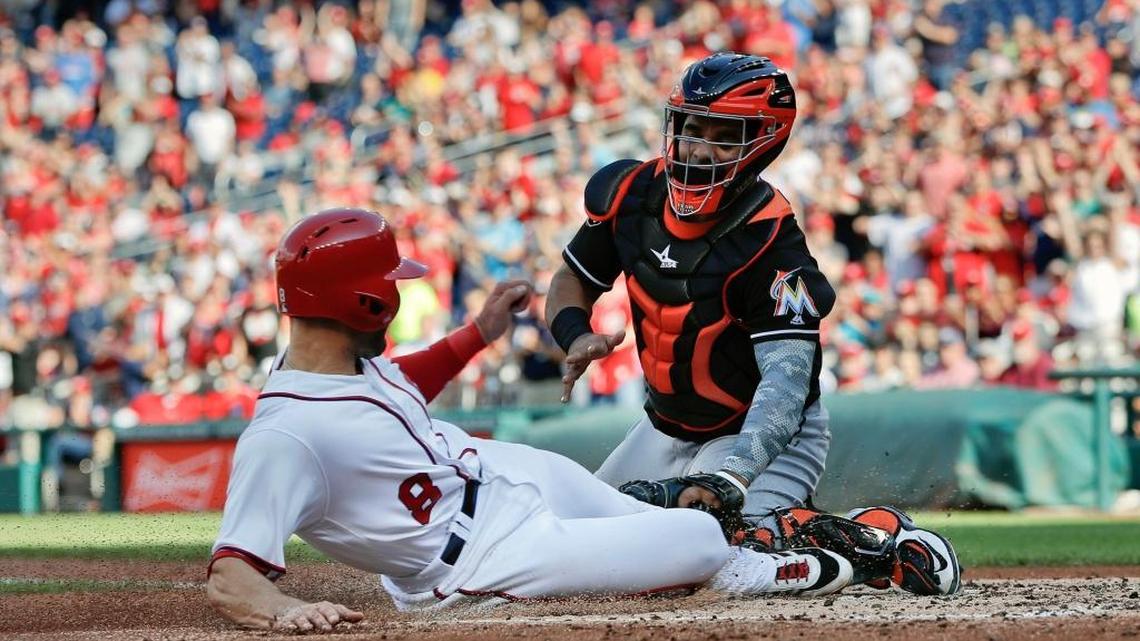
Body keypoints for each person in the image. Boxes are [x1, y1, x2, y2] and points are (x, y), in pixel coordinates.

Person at [206, 208, 895, 634]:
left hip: (502, 477)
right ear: (364, 301)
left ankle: (743, 547)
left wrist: (477, 333)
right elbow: (231, 574)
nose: (398, 290)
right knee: (699, 538)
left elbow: (395, 389)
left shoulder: (335, 366)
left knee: (640, 514)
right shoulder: (284, 437)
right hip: (481, 557)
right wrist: (284, 611)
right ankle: (745, 563)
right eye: (391, 282)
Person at [545, 53, 960, 597]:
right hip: (665, 426)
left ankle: (879, 540)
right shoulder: (630, 194)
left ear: (762, 140)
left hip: (762, 435)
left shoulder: (771, 241)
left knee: (720, 562)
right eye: (691, 127)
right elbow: (571, 280)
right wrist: (576, 333)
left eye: (721, 134)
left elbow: (786, 386)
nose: (696, 147)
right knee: (576, 548)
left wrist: (730, 476)